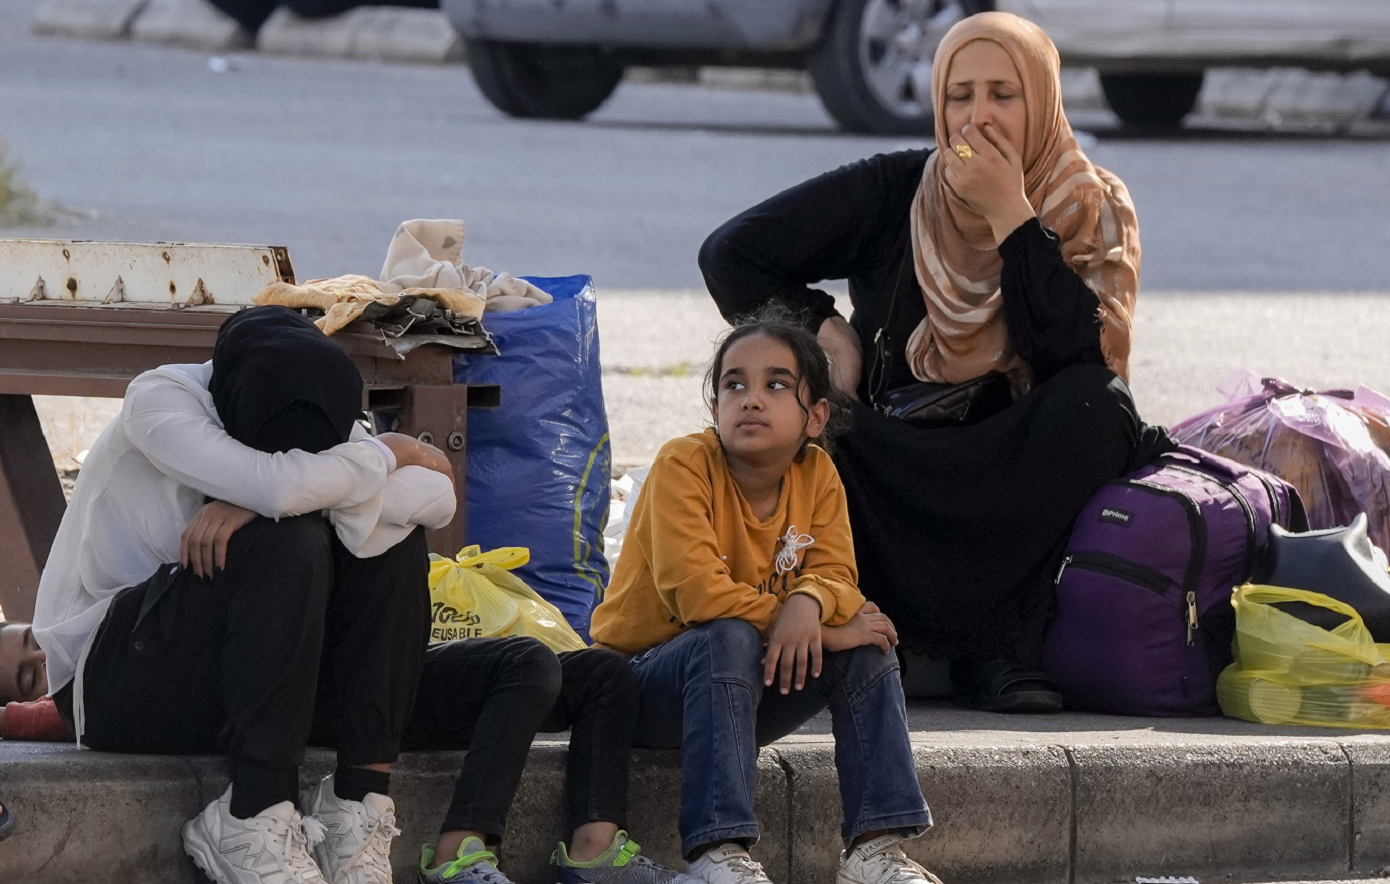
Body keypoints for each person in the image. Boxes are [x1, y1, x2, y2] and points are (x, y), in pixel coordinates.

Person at [20, 306, 692, 884]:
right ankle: (252, 813)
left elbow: (433, 496)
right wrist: (374, 461)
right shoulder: (162, 401)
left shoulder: (321, 409)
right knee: (295, 540)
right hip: (115, 688)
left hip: (253, 686)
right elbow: (286, 492)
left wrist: (326, 476)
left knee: (386, 539)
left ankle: (358, 804)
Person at [697, 12, 1173, 713]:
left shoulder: (1090, 206)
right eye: (961, 95)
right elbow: (730, 254)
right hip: (900, 458)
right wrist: (823, 329)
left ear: (1041, 100)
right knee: (816, 420)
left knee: (1096, 408)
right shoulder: (898, 190)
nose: (978, 117)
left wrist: (1012, 217)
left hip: (1013, 469)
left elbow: (1082, 352)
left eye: (1004, 95)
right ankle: (896, 636)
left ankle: (998, 650)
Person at [590, 307, 939, 884]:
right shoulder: (684, 464)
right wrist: (814, 621)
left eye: (777, 384)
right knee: (725, 634)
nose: (752, 399)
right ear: (714, 409)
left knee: (870, 645)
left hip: (743, 684)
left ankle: (875, 849)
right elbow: (699, 596)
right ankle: (715, 853)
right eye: (735, 385)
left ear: (815, 415)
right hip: (644, 684)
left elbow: (838, 580)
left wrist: (810, 603)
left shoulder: (818, 473)